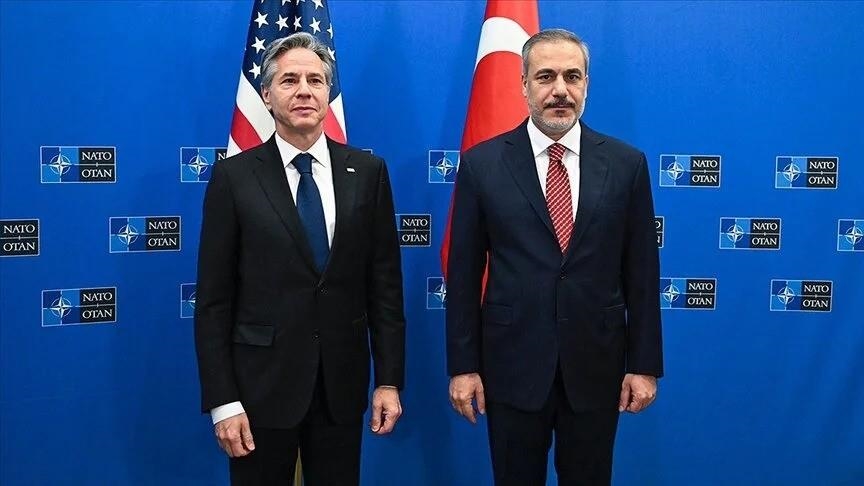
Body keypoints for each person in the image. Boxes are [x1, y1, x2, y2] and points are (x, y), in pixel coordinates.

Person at [445, 29, 663, 485]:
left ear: (586, 84)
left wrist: (643, 365)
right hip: (511, 366)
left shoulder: (627, 164)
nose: (560, 90)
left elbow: (642, 274)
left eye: (572, 76)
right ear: (524, 84)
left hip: (596, 365)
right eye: (545, 76)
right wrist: (464, 366)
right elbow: (463, 276)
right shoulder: (483, 164)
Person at [194, 32, 405, 485]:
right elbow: (213, 301)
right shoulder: (234, 177)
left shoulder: (368, 173)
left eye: (316, 80)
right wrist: (223, 401)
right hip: (259, 390)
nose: (304, 91)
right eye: (289, 80)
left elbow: (385, 289)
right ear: (267, 95)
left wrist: (388, 380)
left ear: (329, 93)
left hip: (340, 388)